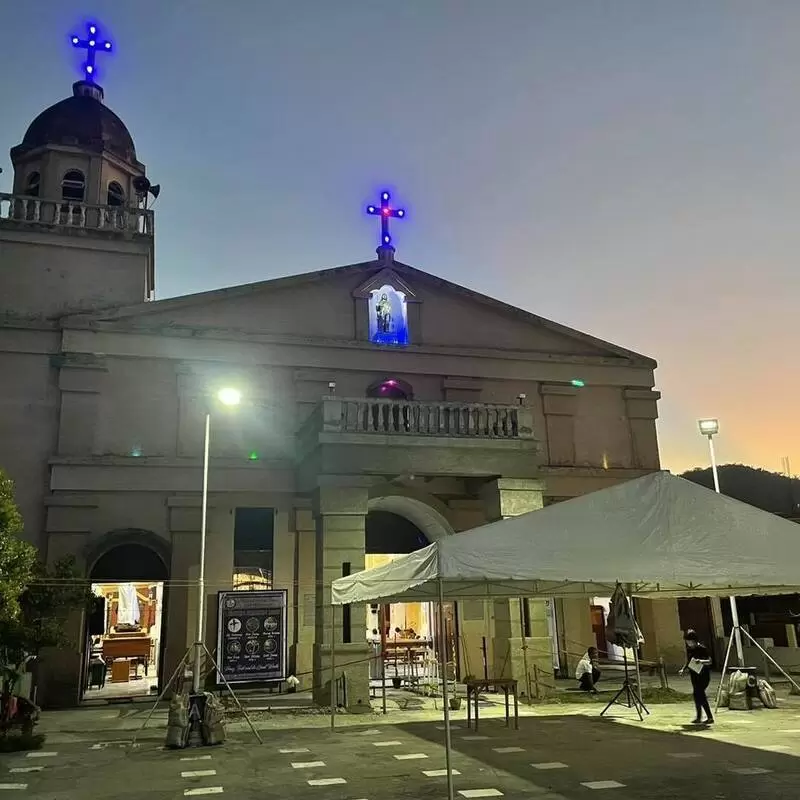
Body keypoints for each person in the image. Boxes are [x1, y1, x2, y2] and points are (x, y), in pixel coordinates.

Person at [680, 629, 714, 724]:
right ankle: (699, 717)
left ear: (694, 640)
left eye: (689, 641)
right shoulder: (690, 649)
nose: (688, 643)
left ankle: (710, 717)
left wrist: (701, 661)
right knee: (696, 696)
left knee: (700, 695)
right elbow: (689, 661)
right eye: (687, 641)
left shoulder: (702, 648)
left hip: (703, 675)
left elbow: (710, 661)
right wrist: (683, 669)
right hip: (694, 675)